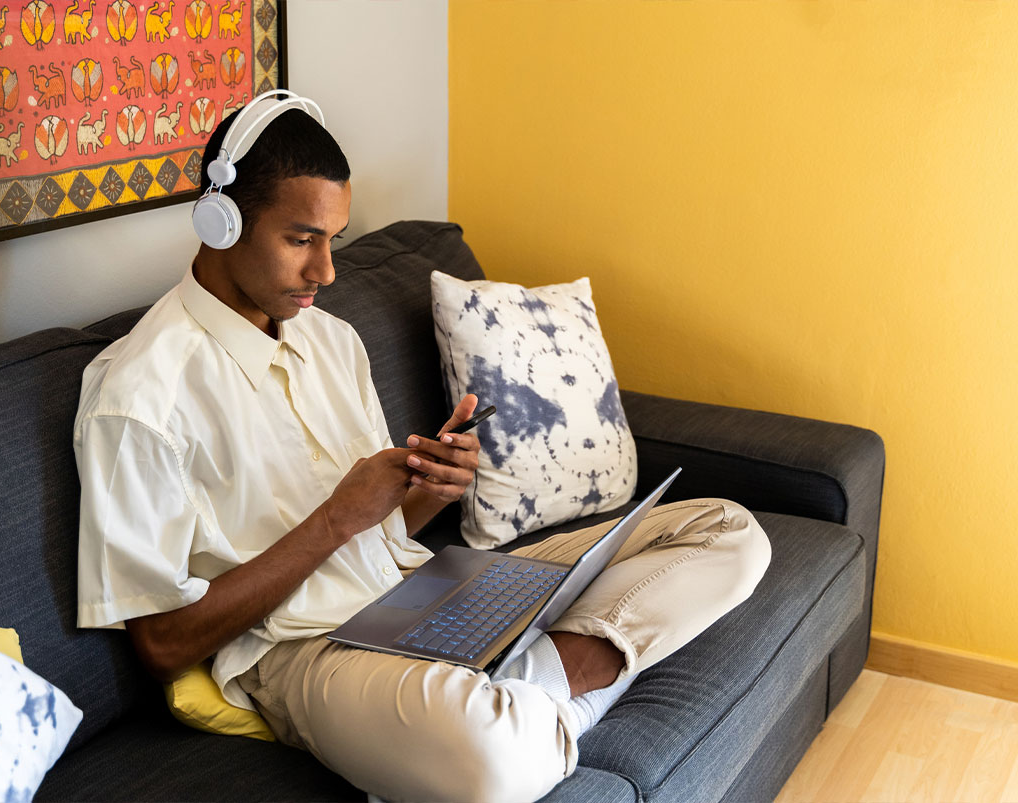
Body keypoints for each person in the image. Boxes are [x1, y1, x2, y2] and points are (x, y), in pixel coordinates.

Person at [74, 91, 772, 803]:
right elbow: (160, 644)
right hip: (302, 650)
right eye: (300, 239)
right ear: (220, 222)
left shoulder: (331, 339)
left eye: (332, 239)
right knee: (492, 762)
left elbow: (383, 529)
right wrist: (336, 519)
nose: (326, 271)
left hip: (422, 588)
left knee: (729, 531)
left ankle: (526, 688)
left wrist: (425, 490)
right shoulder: (138, 397)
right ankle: (554, 689)